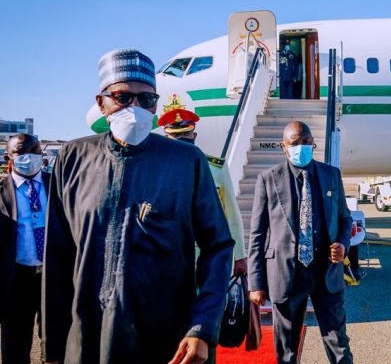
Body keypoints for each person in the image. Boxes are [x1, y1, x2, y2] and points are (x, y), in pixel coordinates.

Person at [42, 49, 234, 364]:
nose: (135, 107)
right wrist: (52, 346)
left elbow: (218, 245)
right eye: (122, 97)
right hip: (89, 336)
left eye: (146, 100)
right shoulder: (72, 159)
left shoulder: (186, 162)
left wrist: (202, 328)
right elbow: (58, 257)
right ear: (101, 101)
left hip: (168, 341)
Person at [247, 121, 353, 364]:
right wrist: (256, 283)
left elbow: (344, 218)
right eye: (295, 143)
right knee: (287, 348)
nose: (302, 147)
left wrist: (342, 244)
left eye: (306, 142)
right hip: (287, 275)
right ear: (284, 147)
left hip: (325, 272)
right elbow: (257, 235)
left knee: (338, 343)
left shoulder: (331, 175)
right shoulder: (268, 179)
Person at [158, 108, 248, 276]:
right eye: (176, 137)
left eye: (186, 135)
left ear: (194, 135)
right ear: (166, 138)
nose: (182, 140)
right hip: (167, 253)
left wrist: (239, 255)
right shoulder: (156, 170)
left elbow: (230, 214)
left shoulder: (216, 169)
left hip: (206, 253)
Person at [0, 134, 50, 364]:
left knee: (56, 340)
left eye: (34, 150)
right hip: (16, 275)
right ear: (8, 157)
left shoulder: (60, 185)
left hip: (54, 274)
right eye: (21, 151)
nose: (29, 156)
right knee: (16, 341)